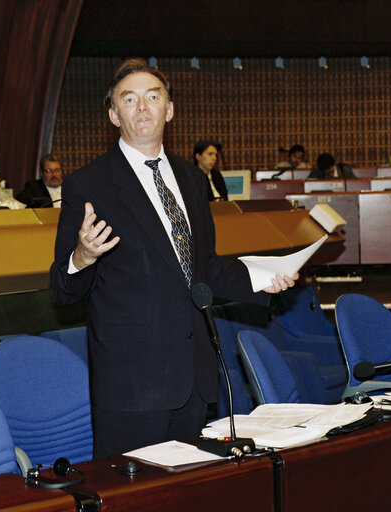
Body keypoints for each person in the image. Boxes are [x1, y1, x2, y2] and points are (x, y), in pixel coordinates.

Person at [50, 58, 296, 459]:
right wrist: (83, 255)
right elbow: (63, 289)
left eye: (153, 96)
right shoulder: (89, 183)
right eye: (129, 99)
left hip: (194, 378)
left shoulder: (191, 178)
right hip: (132, 386)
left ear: (170, 108)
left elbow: (203, 269)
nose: (143, 107)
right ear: (114, 115)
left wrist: (264, 277)